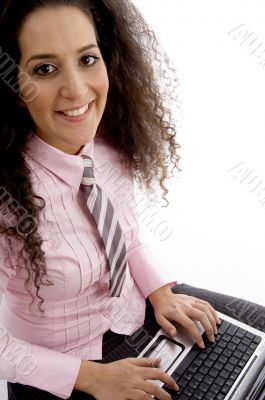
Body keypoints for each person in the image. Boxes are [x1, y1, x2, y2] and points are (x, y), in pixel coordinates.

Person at [0, 1, 264, 399]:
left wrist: (160, 292)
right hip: (64, 368)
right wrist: (90, 377)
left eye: (87, 59)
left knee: (254, 348)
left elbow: (127, 236)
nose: (77, 89)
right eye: (44, 69)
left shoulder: (109, 147)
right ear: (15, 88)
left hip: (135, 314)